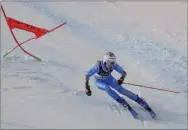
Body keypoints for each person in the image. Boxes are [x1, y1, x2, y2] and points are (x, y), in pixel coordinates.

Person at [84, 52, 156, 118]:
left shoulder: (113, 65)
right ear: (106, 61)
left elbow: (124, 73)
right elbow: (87, 75)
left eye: (113, 62)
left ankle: (139, 100)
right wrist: (87, 87)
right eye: (110, 62)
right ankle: (122, 101)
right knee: (107, 88)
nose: (112, 64)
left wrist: (121, 79)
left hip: (109, 79)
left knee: (122, 90)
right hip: (99, 82)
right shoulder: (98, 66)